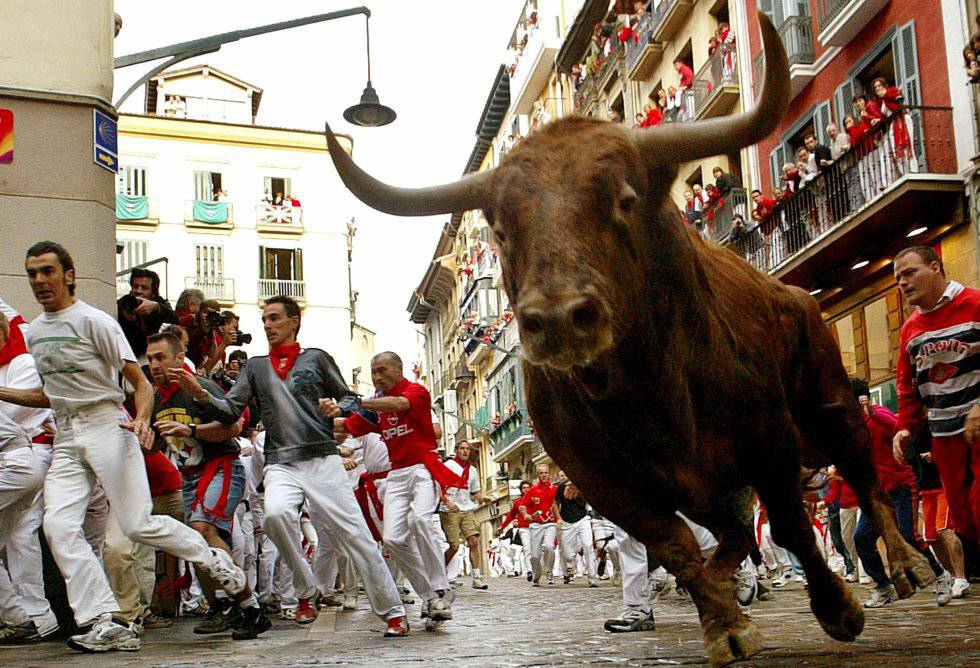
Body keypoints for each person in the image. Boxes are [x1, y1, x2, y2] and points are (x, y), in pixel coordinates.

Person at [0, 241, 245, 653]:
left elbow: (141, 382)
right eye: (32, 273)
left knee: (136, 526)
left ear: (69, 274)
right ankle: (105, 619)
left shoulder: (95, 322)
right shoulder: (36, 332)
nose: (39, 280)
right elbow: (51, 394)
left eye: (47, 271)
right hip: (68, 432)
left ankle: (212, 560)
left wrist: (142, 420)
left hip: (107, 425)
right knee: (57, 526)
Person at [174, 297, 409, 636]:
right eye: (265, 319)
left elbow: (348, 397)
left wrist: (335, 407)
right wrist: (199, 393)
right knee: (275, 515)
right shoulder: (254, 367)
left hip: (323, 458)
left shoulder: (316, 358)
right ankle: (306, 589)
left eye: (274, 318)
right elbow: (230, 411)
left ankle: (393, 612)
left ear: (294, 321)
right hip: (280, 462)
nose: (267, 325)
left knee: (356, 536)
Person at [146, 332, 270, 638]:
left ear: (179, 357)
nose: (153, 365)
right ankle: (225, 606)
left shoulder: (199, 386)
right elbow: (155, 442)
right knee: (195, 544)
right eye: (149, 359)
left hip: (221, 467)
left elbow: (234, 426)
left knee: (202, 531)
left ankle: (249, 606)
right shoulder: (155, 396)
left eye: (160, 357)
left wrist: (190, 428)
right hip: (189, 477)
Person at [333, 352, 466, 631]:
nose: (377, 377)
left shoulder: (415, 391)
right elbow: (346, 427)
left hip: (422, 468)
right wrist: (313, 417)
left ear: (398, 368)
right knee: (392, 539)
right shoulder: (374, 407)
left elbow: (398, 404)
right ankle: (429, 596)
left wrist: (358, 401)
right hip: (397, 474)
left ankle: (441, 590)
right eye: (373, 372)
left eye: (382, 370)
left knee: (420, 520)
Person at [893, 246, 980, 582]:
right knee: (962, 519)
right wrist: (904, 429)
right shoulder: (910, 330)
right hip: (944, 434)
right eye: (898, 277)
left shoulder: (973, 304)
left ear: (935, 267)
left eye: (910, 272)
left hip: (977, 424)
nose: (903, 282)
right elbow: (907, 387)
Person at [849, 377, 946, 607]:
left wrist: (873, 414)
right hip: (877, 495)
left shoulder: (880, 416)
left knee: (909, 536)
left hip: (902, 485)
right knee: (861, 539)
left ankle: (941, 577)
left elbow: (904, 430)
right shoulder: (852, 427)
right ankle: (884, 588)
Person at [440, 440, 488, 590]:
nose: (465, 451)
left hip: (466, 508)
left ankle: (477, 577)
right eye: (462, 449)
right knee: (454, 546)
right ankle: (440, 574)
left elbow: (475, 492)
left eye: (467, 449)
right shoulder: (447, 466)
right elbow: (438, 486)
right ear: (456, 450)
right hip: (449, 510)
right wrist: (446, 502)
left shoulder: (473, 470)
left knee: (473, 541)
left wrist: (483, 498)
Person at [117, 268, 177, 360]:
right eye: (135, 286)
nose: (138, 291)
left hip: (149, 356)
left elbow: (175, 318)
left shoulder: (157, 303)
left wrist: (156, 307)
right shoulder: (124, 302)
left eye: (144, 288)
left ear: (153, 292)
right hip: (125, 356)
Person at [553, 475, 597, 587]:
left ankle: (592, 578)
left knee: (588, 546)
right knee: (568, 556)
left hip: (583, 519)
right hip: (567, 522)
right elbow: (554, 504)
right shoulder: (561, 487)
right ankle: (570, 568)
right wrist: (558, 518)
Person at [519, 464, 558, 586]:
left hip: (550, 523)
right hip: (535, 525)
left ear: (549, 474)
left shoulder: (555, 489)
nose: (544, 475)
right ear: (538, 475)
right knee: (535, 555)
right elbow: (522, 506)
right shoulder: (532, 490)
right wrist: (525, 515)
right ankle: (536, 574)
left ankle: (550, 572)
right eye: (541, 473)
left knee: (549, 547)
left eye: (546, 472)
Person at [495, 481, 533, 580]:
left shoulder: (535, 500)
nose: (526, 489)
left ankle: (539, 569)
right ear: (521, 490)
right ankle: (529, 571)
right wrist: (502, 527)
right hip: (524, 528)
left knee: (536, 551)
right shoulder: (517, 502)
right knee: (527, 549)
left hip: (536, 527)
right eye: (524, 487)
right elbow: (510, 516)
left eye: (528, 487)